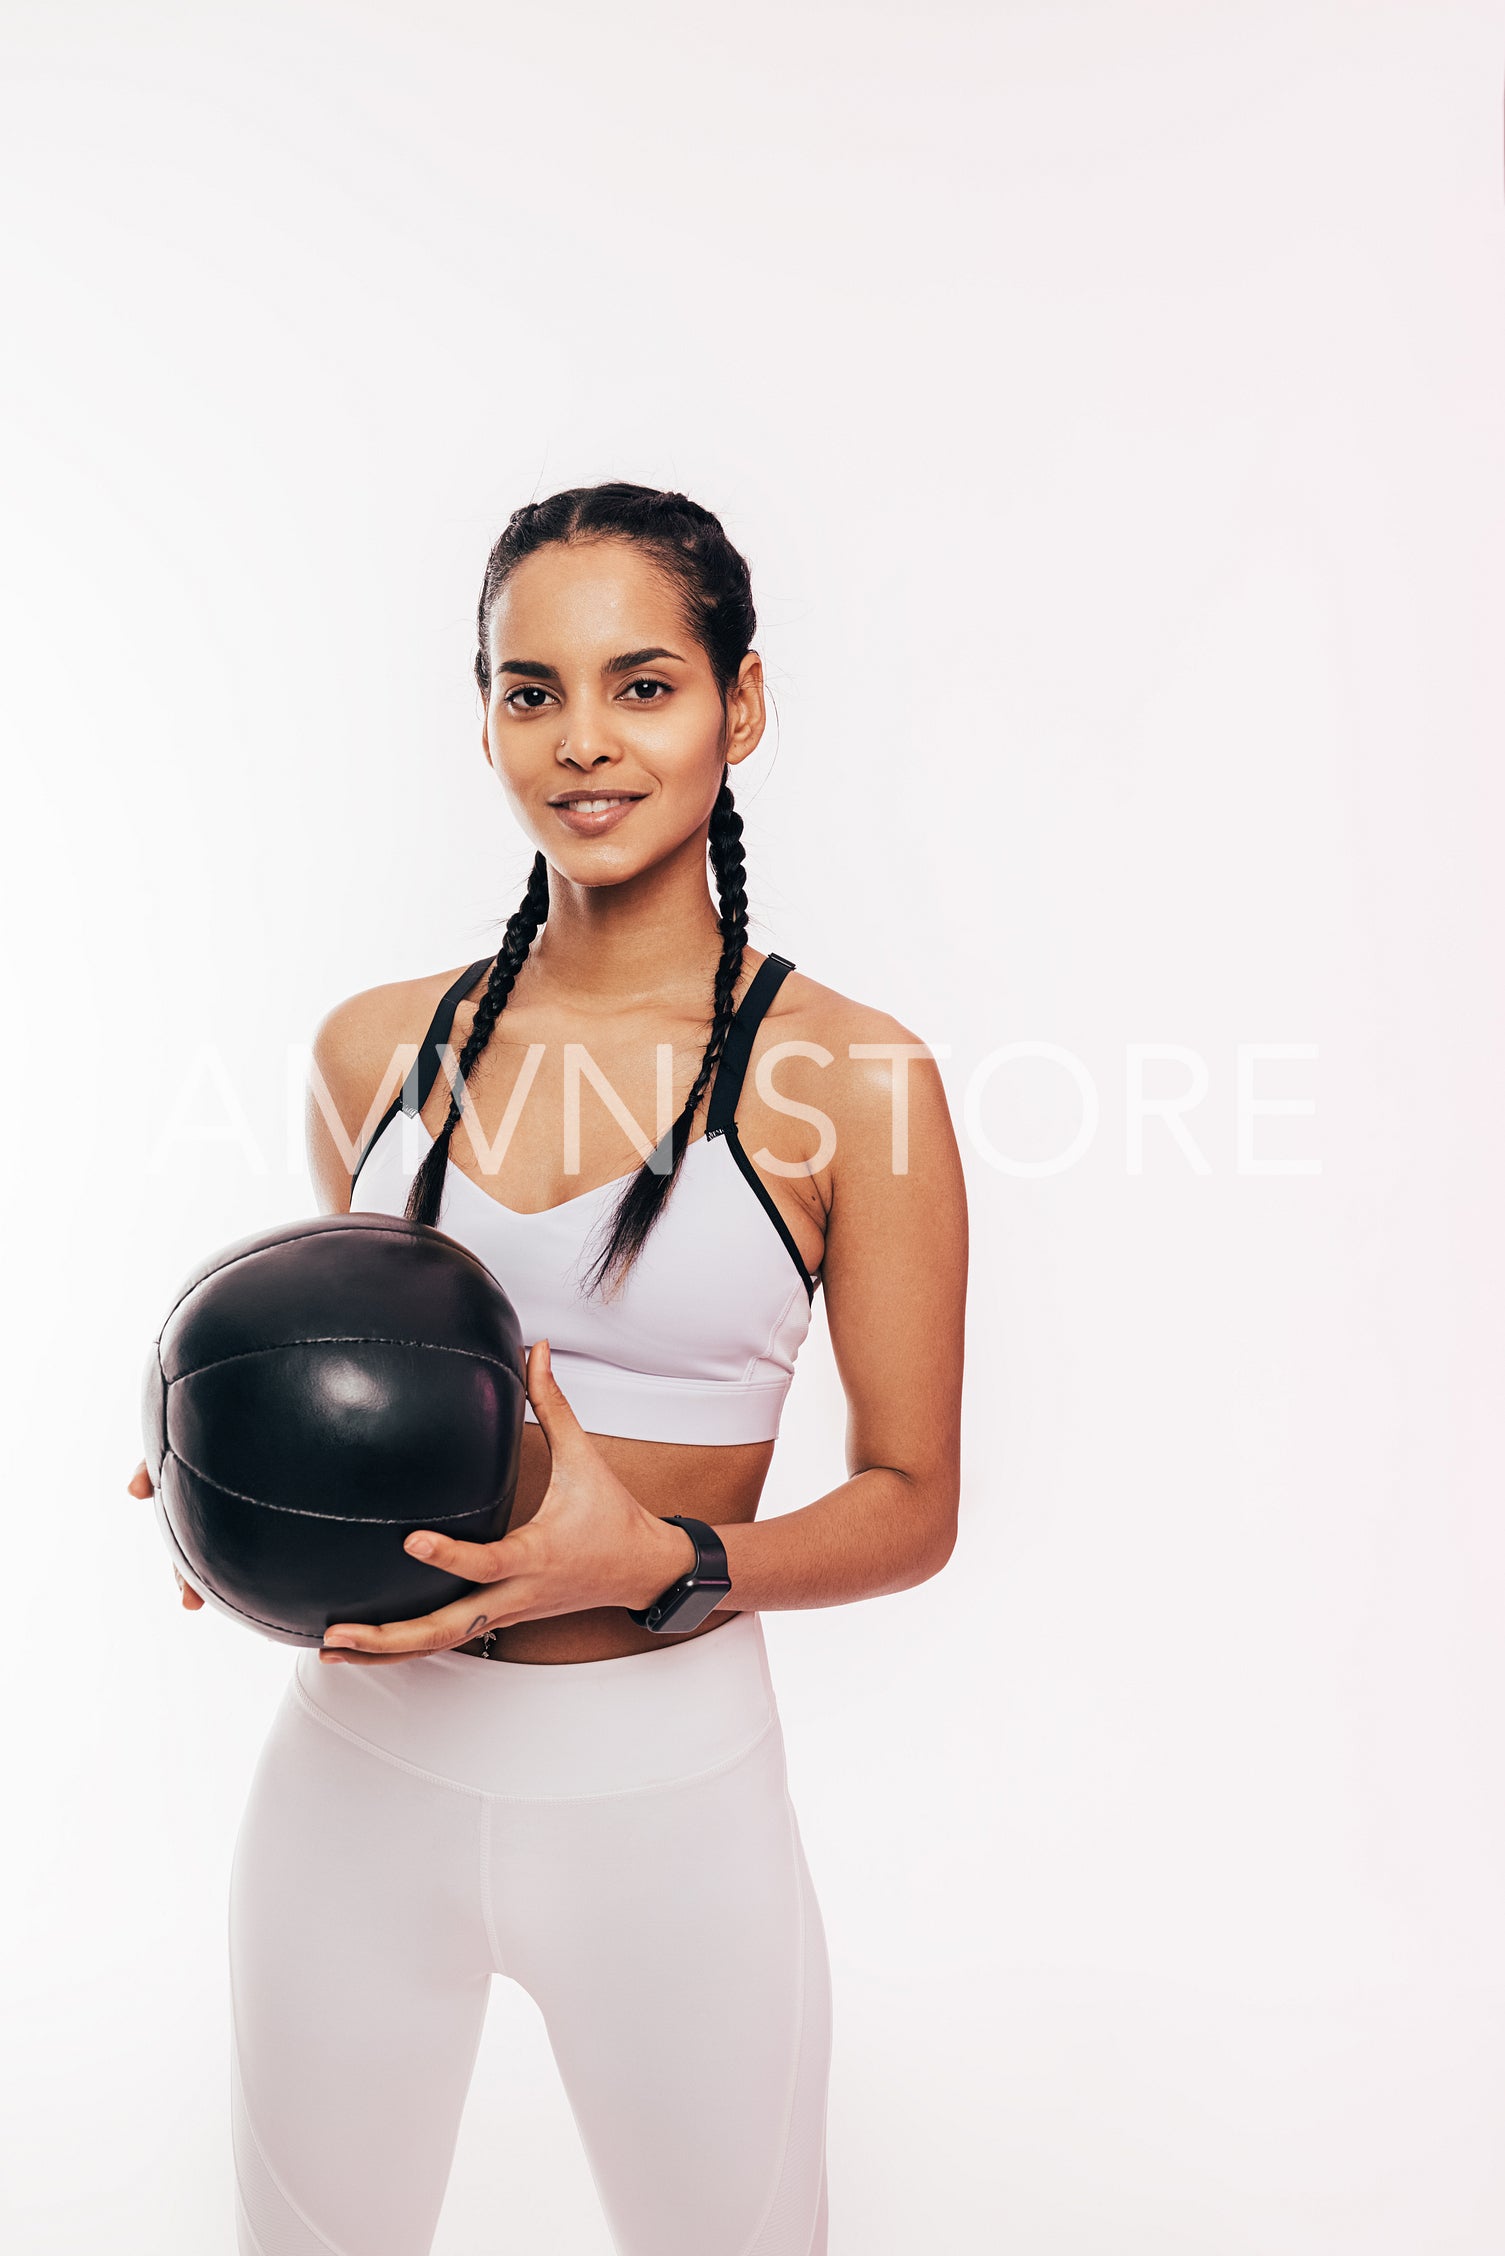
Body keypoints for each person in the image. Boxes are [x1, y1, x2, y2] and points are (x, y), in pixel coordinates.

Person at [128, 482, 968, 2256]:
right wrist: (228, 1472)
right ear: (490, 715)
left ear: (740, 707)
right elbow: (381, 1385)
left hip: (661, 1795)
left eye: (642, 685)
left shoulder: (852, 1080)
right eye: (531, 691)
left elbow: (912, 1509)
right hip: (354, 1780)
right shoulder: (373, 1046)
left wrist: (664, 1563)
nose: (582, 743)